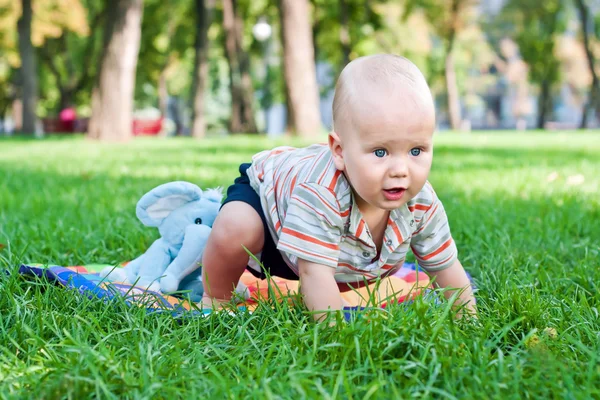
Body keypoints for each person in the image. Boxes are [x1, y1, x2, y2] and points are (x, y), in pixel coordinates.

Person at [201, 54, 476, 321]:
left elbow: (445, 266)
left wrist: (470, 321)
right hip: (270, 212)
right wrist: (337, 336)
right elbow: (314, 274)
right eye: (380, 152)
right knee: (235, 227)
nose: (400, 170)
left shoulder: (421, 202)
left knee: (334, 270)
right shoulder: (323, 193)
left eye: (416, 150)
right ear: (340, 151)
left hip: (342, 258)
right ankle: (217, 298)